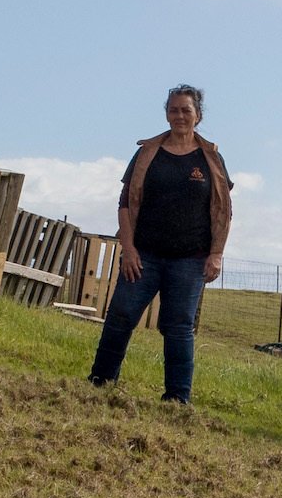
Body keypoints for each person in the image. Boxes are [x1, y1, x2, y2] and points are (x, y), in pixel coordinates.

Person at [87, 84, 232, 403]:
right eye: (174, 110)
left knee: (178, 326)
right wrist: (129, 249)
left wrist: (216, 253)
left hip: (190, 259)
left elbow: (223, 209)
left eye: (186, 110)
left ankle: (178, 399)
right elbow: (125, 203)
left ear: (198, 115)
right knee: (121, 315)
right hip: (144, 255)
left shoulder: (211, 158)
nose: (179, 116)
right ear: (167, 113)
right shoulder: (147, 153)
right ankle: (100, 382)